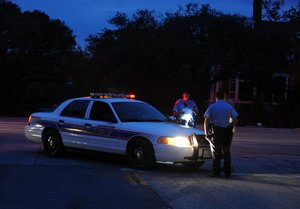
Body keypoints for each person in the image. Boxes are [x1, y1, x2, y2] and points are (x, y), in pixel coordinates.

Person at [203, 89, 238, 178]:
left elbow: (206, 120)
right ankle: (227, 172)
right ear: (224, 97)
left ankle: (216, 172)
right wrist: (229, 127)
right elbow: (235, 120)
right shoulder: (229, 107)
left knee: (216, 152)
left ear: (216, 97)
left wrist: (206, 133)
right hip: (226, 131)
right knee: (226, 152)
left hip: (215, 132)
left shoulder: (212, 106)